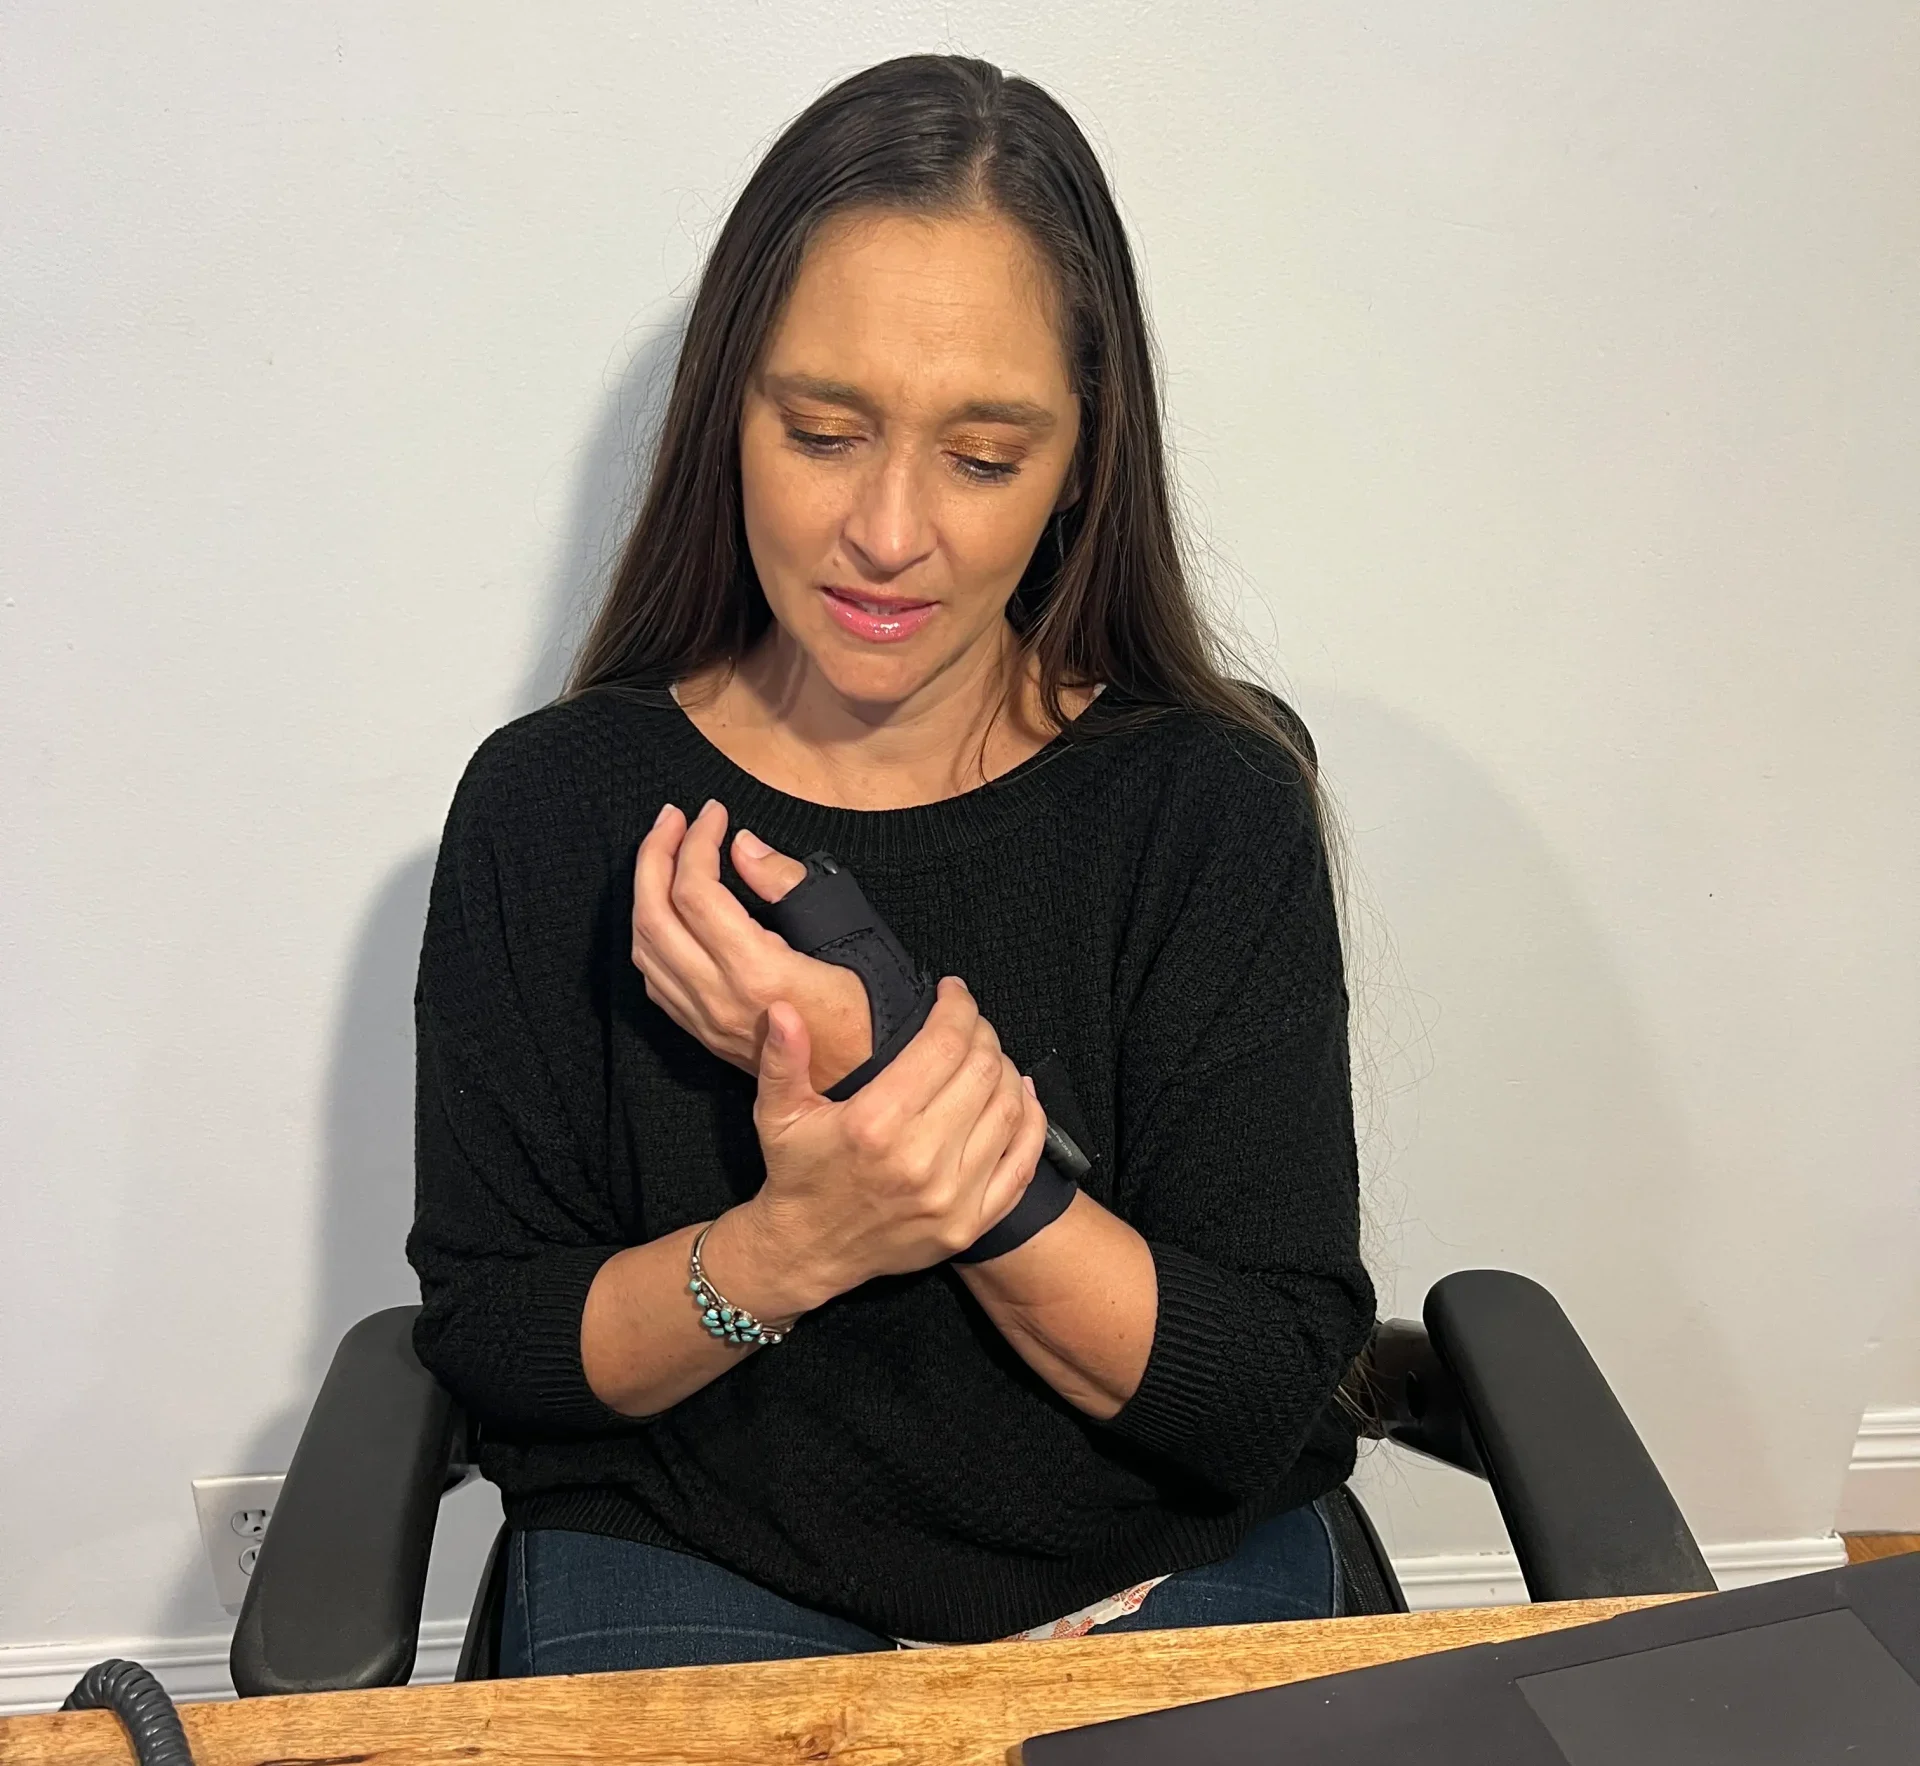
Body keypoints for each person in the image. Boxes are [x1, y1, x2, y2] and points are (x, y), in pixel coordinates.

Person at [406, 52, 1376, 1676]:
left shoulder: (1207, 799)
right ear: (733, 411)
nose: (887, 532)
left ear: (1082, 465)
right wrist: (802, 1240)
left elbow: (1252, 1383)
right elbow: (501, 1342)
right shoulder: (553, 805)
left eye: (984, 457)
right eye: (824, 430)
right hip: (694, 1571)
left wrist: (919, 1115)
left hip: (1164, 1573)